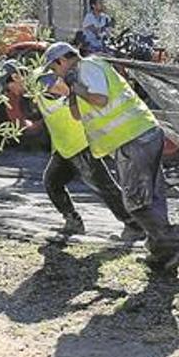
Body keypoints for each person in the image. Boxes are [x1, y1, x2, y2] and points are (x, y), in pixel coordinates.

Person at [40, 42, 179, 274]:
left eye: (55, 69)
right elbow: (77, 115)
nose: (56, 75)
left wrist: (76, 88)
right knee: (151, 200)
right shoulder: (78, 78)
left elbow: (100, 99)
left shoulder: (88, 66)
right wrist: (72, 90)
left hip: (134, 137)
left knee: (135, 203)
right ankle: (161, 252)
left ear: (61, 61)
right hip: (139, 136)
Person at [27, 62, 145, 242]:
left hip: (81, 144)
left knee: (105, 187)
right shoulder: (36, 85)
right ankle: (73, 222)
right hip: (64, 148)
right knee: (52, 182)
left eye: (8, 84)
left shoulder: (40, 78)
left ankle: (135, 226)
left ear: (16, 78)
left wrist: (69, 91)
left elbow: (63, 89)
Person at [0, 60, 49, 149]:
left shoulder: (19, 96)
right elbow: (23, 129)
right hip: (13, 149)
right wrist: (45, 121)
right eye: (23, 75)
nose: (26, 80)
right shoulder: (8, 99)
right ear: (15, 77)